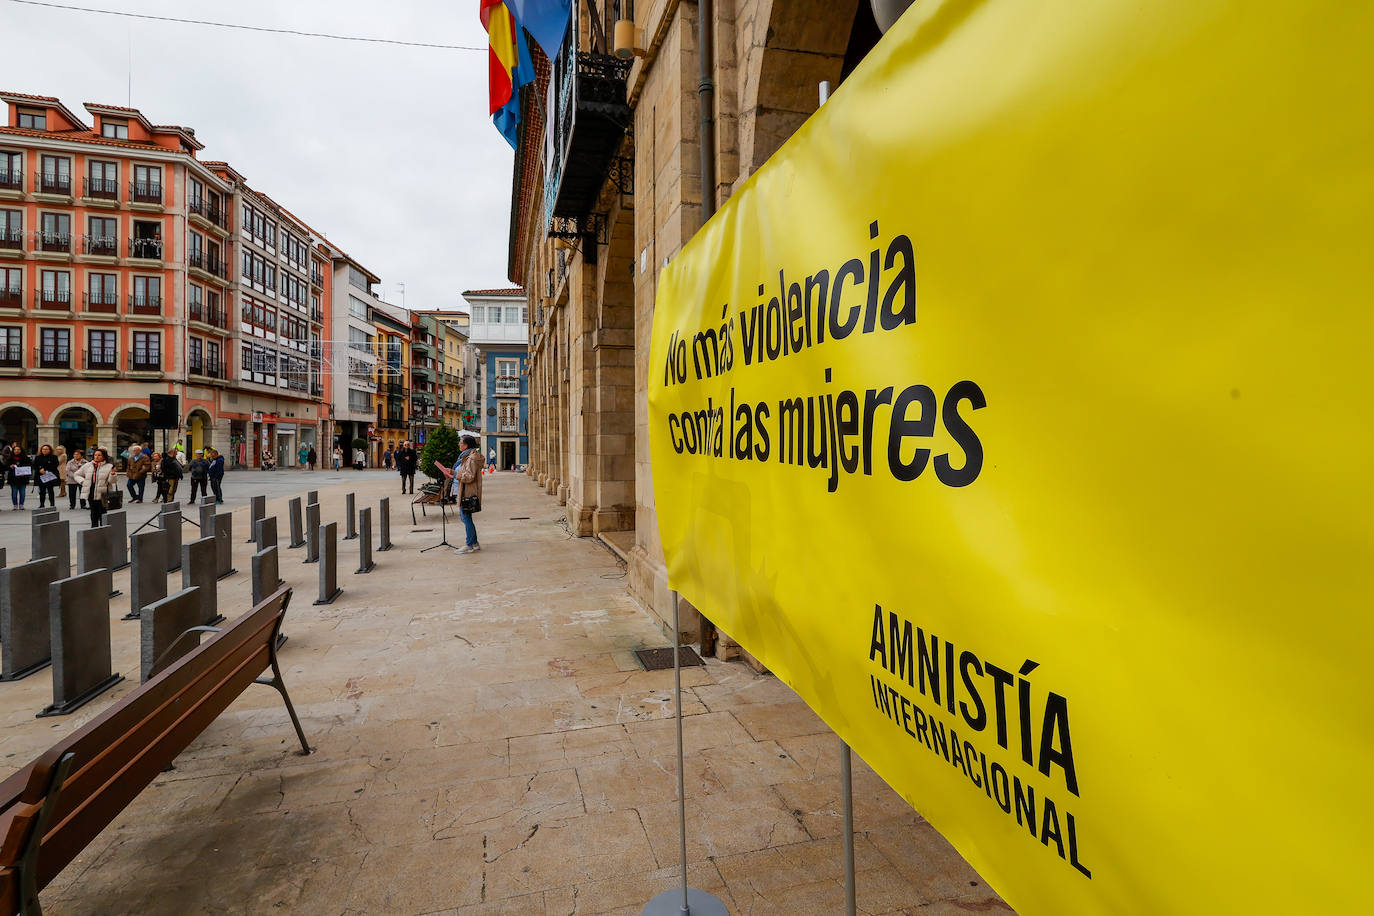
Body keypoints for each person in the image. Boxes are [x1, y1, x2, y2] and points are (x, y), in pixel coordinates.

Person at [436, 434, 485, 554]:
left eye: (460, 442)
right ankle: (474, 543)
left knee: (465, 518)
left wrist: (454, 475)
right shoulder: (465, 456)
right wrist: (452, 471)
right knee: (466, 518)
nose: (459, 444)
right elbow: (463, 472)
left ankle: (469, 544)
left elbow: (469, 476)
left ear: (466, 445)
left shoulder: (471, 458)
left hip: (466, 491)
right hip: (461, 489)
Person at [74, 446, 118, 527]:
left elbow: (112, 481)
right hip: (90, 491)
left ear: (104, 456)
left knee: (102, 512)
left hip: (103, 493)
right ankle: (94, 528)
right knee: (93, 512)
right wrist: (83, 481)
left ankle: (103, 528)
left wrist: (113, 474)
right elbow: (76, 474)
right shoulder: (87, 465)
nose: (96, 457)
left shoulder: (109, 466)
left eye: (99, 455)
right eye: (95, 455)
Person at [6, 444, 31, 509]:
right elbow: (6, 467)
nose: (17, 451)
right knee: (14, 492)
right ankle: (15, 505)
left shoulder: (25, 458)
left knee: (22, 492)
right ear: (13, 450)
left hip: (23, 478)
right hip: (13, 478)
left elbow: (29, 466)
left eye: (18, 449)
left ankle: (21, 504)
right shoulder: (9, 458)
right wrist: (9, 466)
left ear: (21, 450)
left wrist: (24, 472)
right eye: (15, 449)